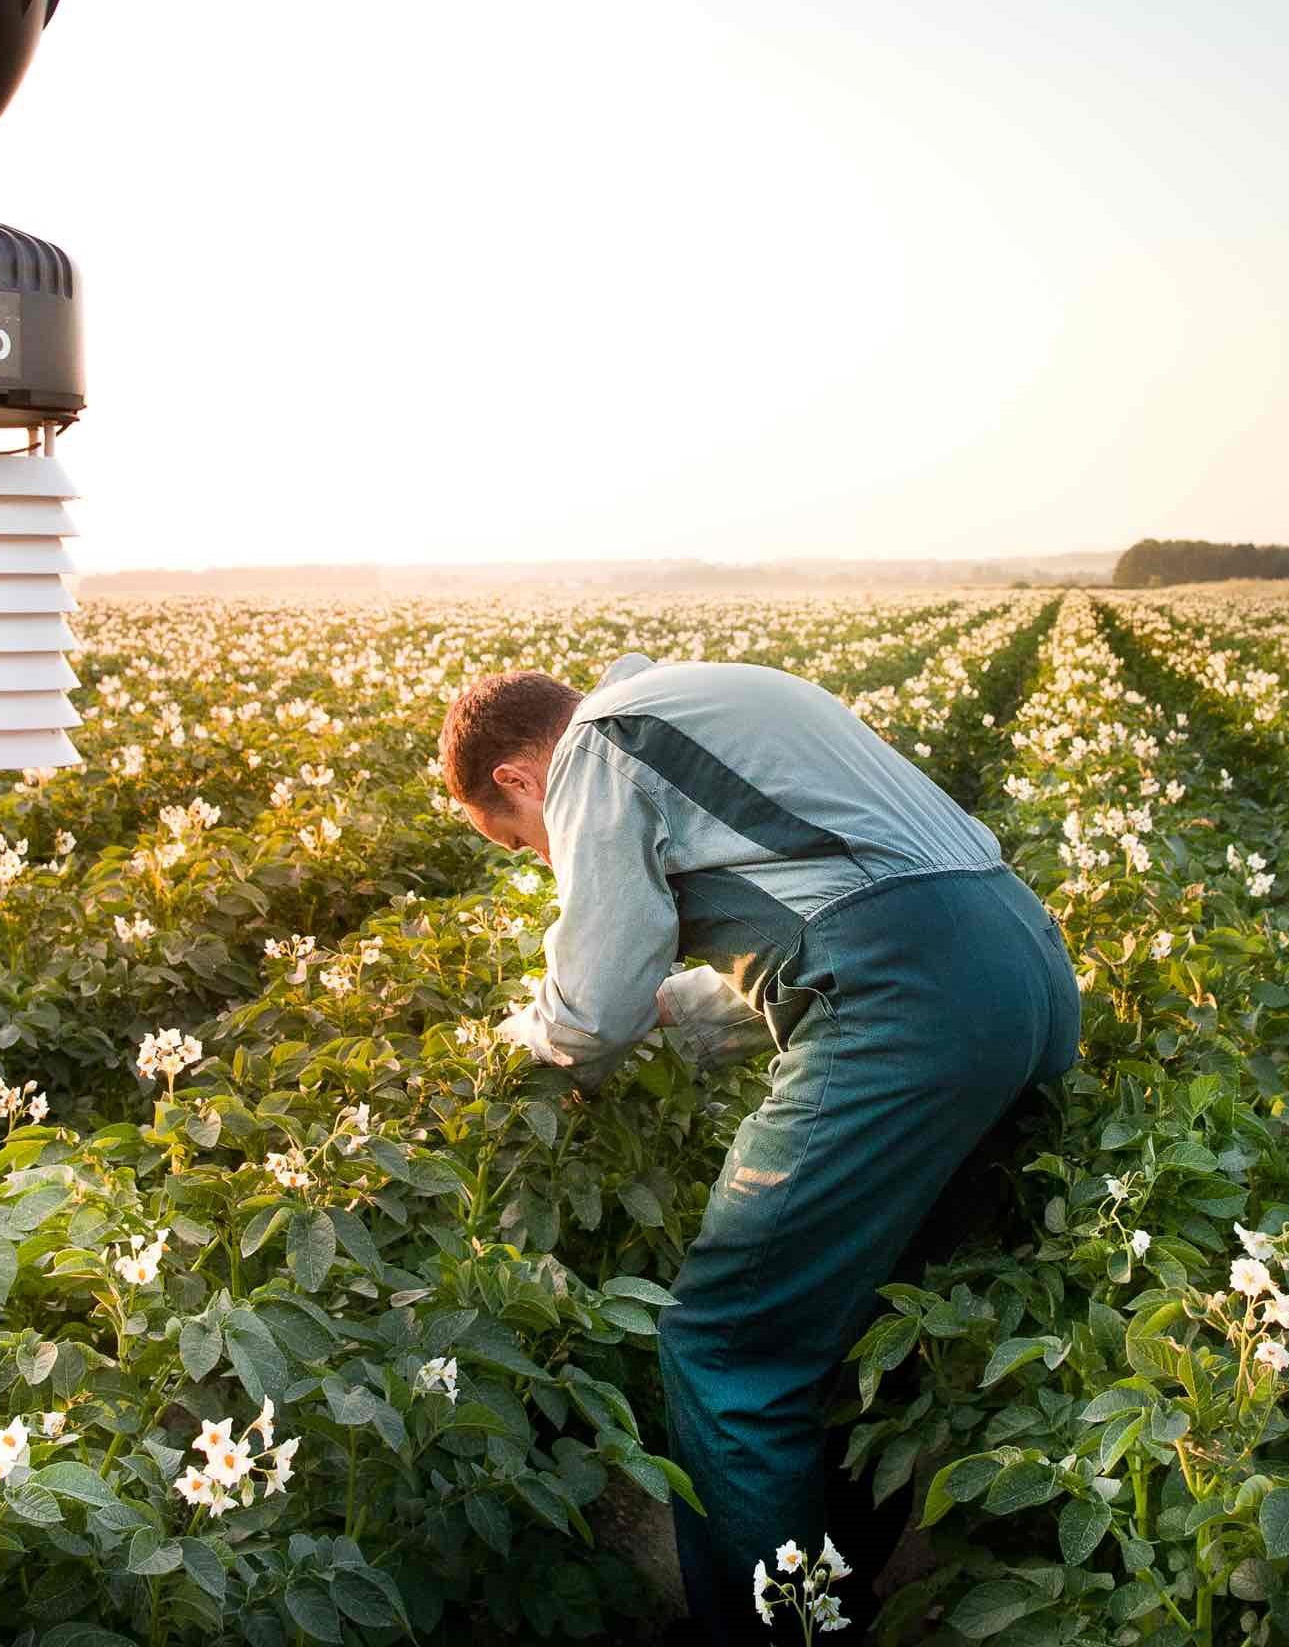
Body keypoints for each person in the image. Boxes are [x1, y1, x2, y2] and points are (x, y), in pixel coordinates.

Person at [438, 653, 1080, 1644]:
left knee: (726, 1343)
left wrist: (519, 1041)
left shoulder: (600, 746)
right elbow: (827, 911)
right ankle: (833, 1599)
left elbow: (593, 1007)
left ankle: (768, 1629)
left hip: (914, 1002)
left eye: (522, 841)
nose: (544, 855)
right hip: (1022, 966)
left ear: (521, 780)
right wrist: (673, 1009)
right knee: (870, 1324)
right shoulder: (700, 699)